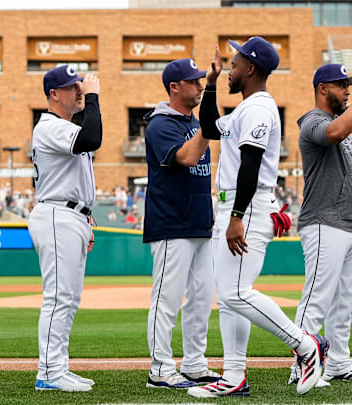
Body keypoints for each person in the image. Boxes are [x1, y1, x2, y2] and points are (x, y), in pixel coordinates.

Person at [187, 37, 328, 399]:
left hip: (244, 206)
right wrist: (214, 81)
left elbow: (250, 165)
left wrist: (236, 216)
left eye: (234, 64)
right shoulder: (243, 110)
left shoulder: (261, 109)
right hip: (234, 206)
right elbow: (208, 127)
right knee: (230, 294)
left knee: (235, 292)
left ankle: (306, 345)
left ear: (250, 69)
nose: (231, 69)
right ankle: (234, 375)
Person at [289, 63, 352, 386]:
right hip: (323, 221)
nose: (348, 90)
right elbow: (336, 133)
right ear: (322, 88)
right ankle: (301, 367)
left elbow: (349, 177)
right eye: (341, 85)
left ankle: (338, 362)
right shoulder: (314, 121)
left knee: (344, 302)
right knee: (317, 298)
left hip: (349, 223)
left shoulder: (341, 122)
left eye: (350, 85)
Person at [143, 56, 221, 389]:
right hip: (171, 223)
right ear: (174, 87)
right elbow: (188, 157)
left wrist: (214, 88)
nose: (200, 85)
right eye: (194, 81)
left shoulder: (191, 120)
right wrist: (206, 122)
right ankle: (160, 368)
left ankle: (193, 363)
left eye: (201, 80)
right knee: (167, 299)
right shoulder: (161, 124)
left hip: (200, 222)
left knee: (202, 298)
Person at [27, 65, 102, 392]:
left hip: (71, 216)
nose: (80, 91)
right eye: (72, 87)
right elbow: (92, 138)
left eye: (80, 87)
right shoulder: (49, 126)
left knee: (68, 298)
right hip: (57, 215)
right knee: (59, 297)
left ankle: (58, 366)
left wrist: (85, 218)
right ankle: (49, 371)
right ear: (53, 94)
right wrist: (96, 97)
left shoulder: (63, 127)